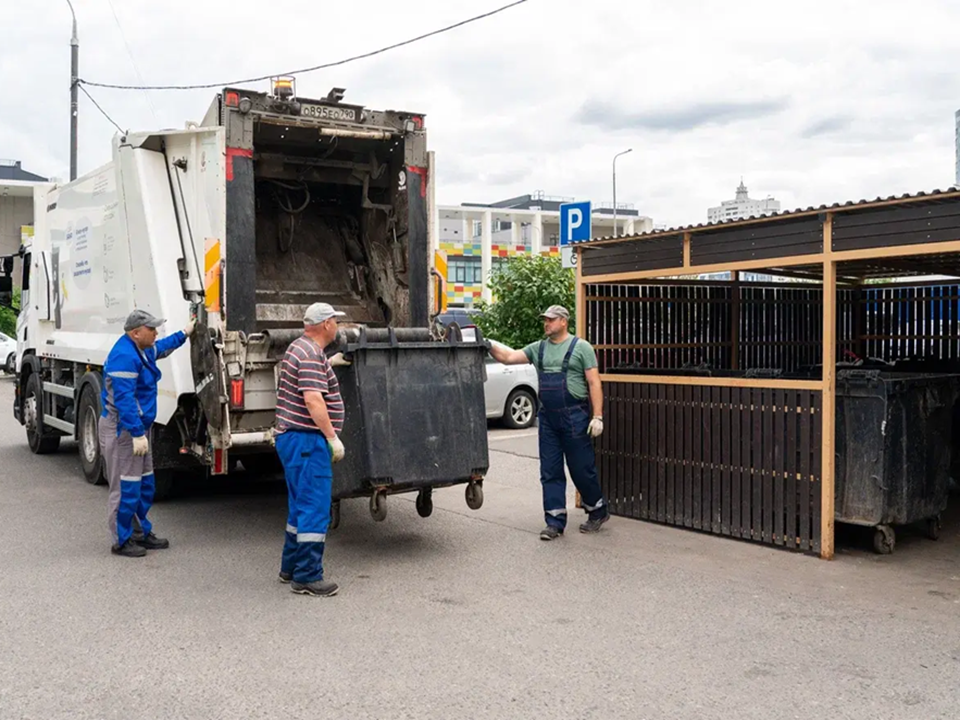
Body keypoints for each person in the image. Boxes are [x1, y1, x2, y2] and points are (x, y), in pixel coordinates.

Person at [486, 305, 609, 540]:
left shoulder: (581, 348)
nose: (546, 323)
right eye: (545, 320)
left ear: (563, 322)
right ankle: (554, 522)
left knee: (581, 469)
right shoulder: (538, 348)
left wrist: (597, 416)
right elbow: (509, 357)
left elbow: (594, 383)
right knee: (550, 470)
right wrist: (488, 344)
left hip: (575, 416)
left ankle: (597, 510)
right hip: (548, 419)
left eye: (551, 320)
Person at [101, 309, 195, 557]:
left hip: (138, 428)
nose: (156, 333)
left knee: (144, 483)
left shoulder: (141, 350)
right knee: (125, 486)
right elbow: (125, 401)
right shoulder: (124, 356)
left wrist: (185, 333)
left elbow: (163, 346)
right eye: (151, 329)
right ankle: (122, 541)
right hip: (124, 429)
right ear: (135, 333)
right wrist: (135, 433)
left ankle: (140, 533)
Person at [275, 302, 348, 597]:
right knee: (315, 509)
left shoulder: (301, 348)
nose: (338, 327)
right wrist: (332, 437)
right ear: (326, 324)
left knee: (299, 507)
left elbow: (304, 378)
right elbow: (313, 401)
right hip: (306, 440)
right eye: (336, 322)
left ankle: (290, 567)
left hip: (294, 441)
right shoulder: (309, 354)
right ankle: (307, 576)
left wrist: (329, 364)